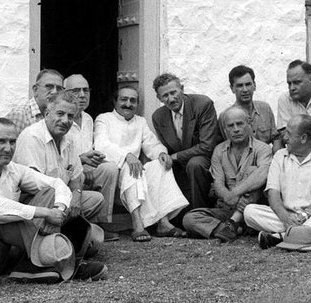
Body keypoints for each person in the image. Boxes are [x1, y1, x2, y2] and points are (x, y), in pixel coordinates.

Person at [0, 118, 108, 283]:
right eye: (1, 141)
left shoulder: (14, 170)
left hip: (9, 249)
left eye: (12, 142)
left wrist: (58, 209)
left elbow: (57, 183)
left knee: (49, 193)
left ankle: (44, 261)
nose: (8, 148)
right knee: (1, 218)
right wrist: (43, 212)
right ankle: (61, 262)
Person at [13, 90, 108, 247]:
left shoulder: (69, 138)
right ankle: (57, 240)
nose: (65, 120)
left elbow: (77, 177)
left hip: (61, 199)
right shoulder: (32, 137)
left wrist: (76, 198)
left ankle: (63, 233)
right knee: (50, 193)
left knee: (96, 199)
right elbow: (32, 185)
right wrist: (63, 199)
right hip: (37, 200)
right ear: (47, 113)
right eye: (60, 114)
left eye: (70, 116)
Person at [95, 87, 189, 242]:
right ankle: (137, 224)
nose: (128, 104)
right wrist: (127, 156)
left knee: (160, 165)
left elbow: (152, 144)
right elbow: (101, 144)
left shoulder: (140, 122)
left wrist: (161, 154)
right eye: (124, 99)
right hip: (112, 173)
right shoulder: (104, 119)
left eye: (133, 100)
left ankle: (163, 222)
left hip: (134, 173)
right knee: (131, 166)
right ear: (115, 101)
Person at [243, 115, 311, 251]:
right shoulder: (280, 156)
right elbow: (273, 194)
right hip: (286, 216)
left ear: (303, 138)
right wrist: (286, 217)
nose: (284, 138)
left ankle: (282, 237)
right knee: (250, 211)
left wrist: (305, 215)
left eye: (288, 133)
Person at [183, 107, 272, 242]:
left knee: (254, 173)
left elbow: (262, 174)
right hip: (227, 208)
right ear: (225, 130)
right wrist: (230, 198)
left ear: (249, 124)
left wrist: (234, 193)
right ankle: (231, 228)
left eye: (240, 124)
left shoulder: (263, 149)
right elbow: (218, 184)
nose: (236, 129)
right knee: (189, 218)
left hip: (253, 210)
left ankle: (235, 223)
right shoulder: (219, 150)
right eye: (231, 126)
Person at [151, 73, 220, 212]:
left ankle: (200, 214)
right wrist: (163, 156)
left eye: (173, 92)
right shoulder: (158, 116)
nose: (171, 99)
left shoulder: (202, 104)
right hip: (180, 165)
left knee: (195, 164)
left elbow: (207, 146)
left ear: (182, 89)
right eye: (165, 96)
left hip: (205, 160)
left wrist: (176, 156)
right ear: (159, 98)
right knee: (157, 167)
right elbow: (166, 148)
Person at [64, 74, 119, 241]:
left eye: (85, 90)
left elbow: (88, 148)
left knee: (110, 168)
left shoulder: (88, 118)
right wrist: (81, 162)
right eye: (76, 91)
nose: (82, 95)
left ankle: (100, 223)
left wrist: (94, 158)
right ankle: (81, 226)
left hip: (85, 166)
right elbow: (61, 157)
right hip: (68, 170)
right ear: (65, 93)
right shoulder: (63, 118)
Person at [218, 65, 279, 152]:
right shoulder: (225, 116)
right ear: (232, 88)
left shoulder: (265, 108)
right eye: (240, 86)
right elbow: (226, 148)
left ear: (254, 85)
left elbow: (276, 137)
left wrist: (276, 156)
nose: (245, 89)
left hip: (267, 159)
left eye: (248, 84)